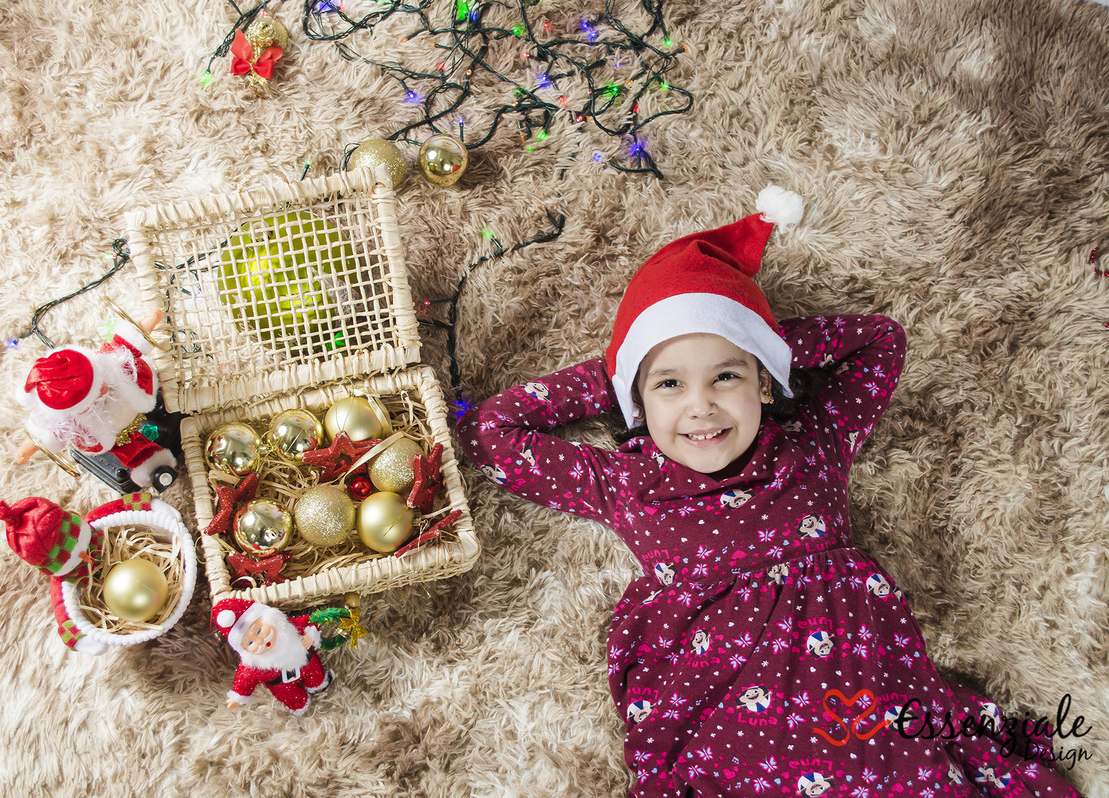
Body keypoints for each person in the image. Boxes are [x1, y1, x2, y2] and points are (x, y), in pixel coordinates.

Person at [456, 187, 1081, 796]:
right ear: (637, 404)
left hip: (858, 693)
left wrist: (764, 348)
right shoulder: (626, 482)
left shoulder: (814, 443)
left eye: (725, 376)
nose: (700, 406)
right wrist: (625, 368)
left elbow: (880, 341)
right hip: (726, 711)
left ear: (764, 385)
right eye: (670, 385)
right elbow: (493, 433)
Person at [13, 309, 178, 492]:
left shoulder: (111, 363)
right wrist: (27, 450)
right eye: (95, 393)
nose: (102, 389)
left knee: (158, 386)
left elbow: (125, 344)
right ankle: (152, 466)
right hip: (117, 432)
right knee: (131, 450)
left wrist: (149, 322)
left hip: (133, 396)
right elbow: (46, 433)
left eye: (99, 383)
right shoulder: (73, 424)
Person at [212, 598, 333, 716]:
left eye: (259, 631)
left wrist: (311, 633)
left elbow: (312, 620)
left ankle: (317, 684)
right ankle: (298, 704)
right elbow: (244, 681)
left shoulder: (289, 628)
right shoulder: (253, 665)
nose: (260, 641)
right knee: (290, 697)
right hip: (282, 684)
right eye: (250, 643)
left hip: (307, 663)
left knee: (315, 673)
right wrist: (237, 697)